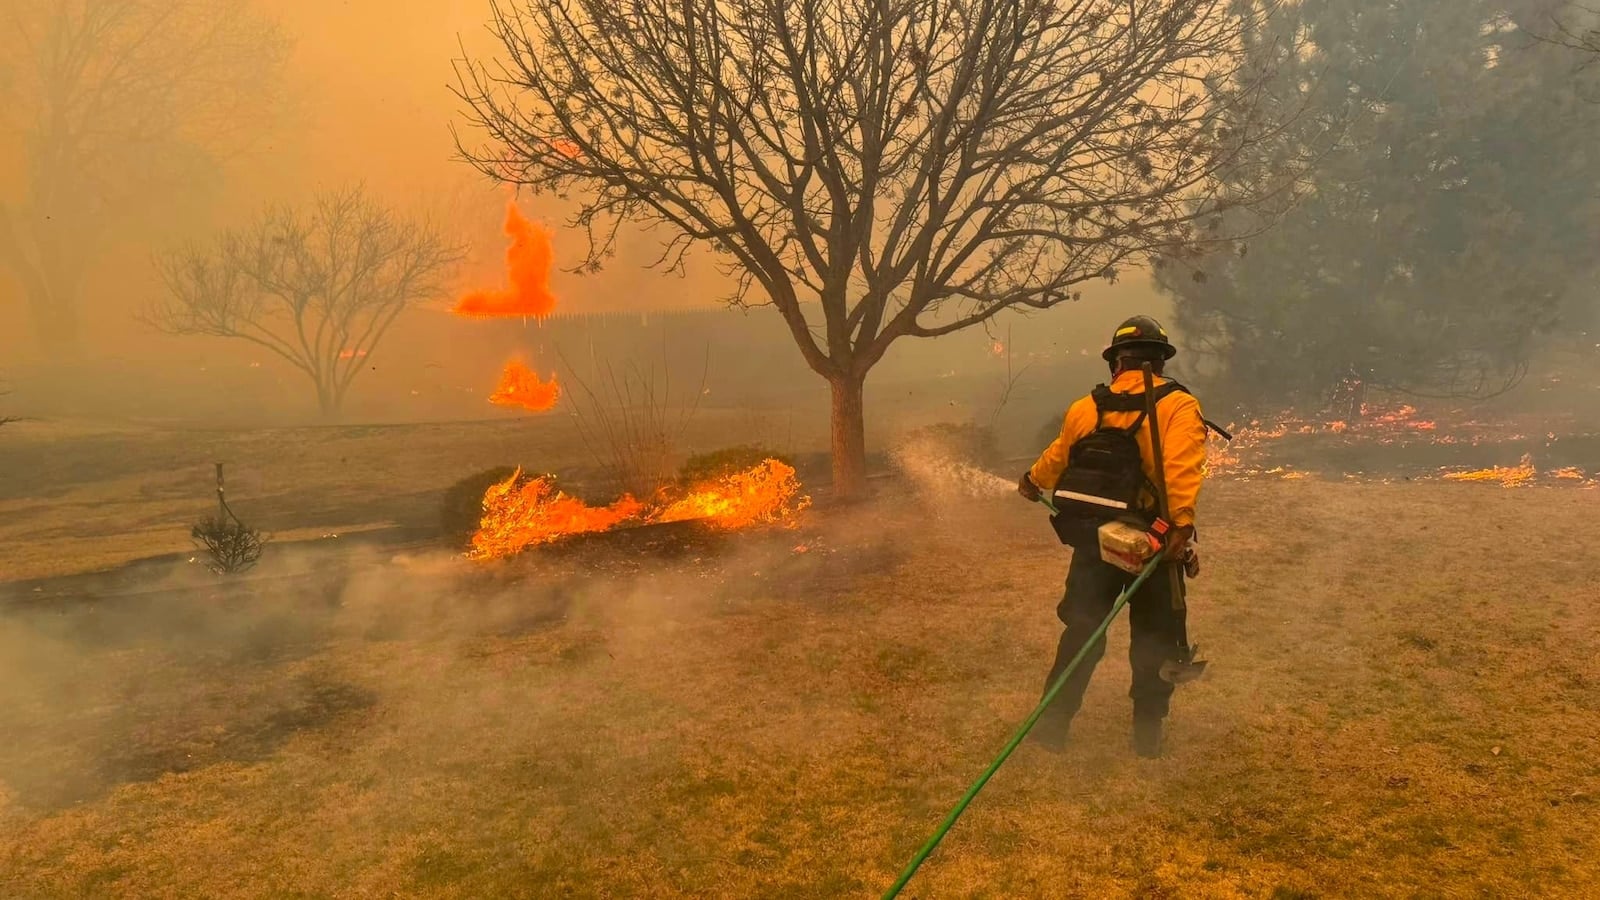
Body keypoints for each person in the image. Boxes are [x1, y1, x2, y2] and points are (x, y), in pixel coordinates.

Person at [1017, 315, 1209, 758]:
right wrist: (1180, 526)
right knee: (1155, 638)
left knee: (1082, 631)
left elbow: (1058, 456)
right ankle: (1147, 735)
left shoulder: (1087, 407)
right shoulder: (1179, 405)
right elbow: (1180, 469)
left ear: (1115, 364)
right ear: (1160, 361)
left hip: (1095, 540)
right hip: (1153, 546)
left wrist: (1032, 480)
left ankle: (1053, 725)